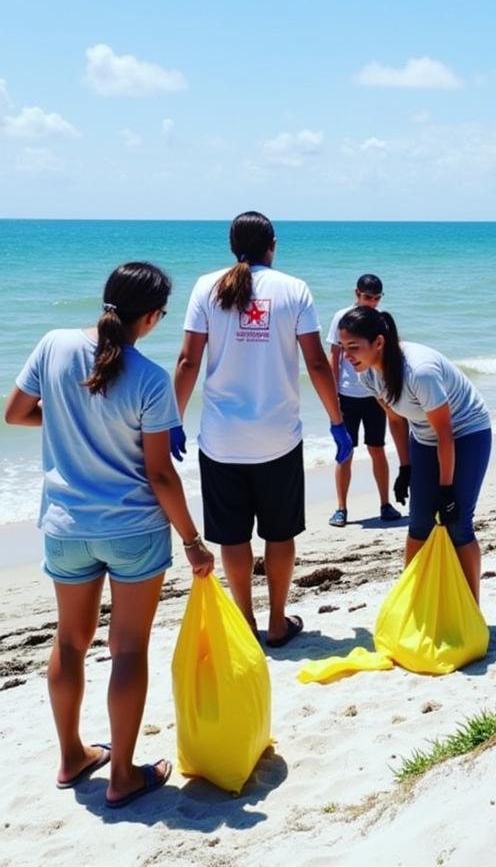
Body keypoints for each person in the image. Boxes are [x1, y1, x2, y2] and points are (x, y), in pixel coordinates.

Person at [4, 262, 214, 809]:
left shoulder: (52, 345)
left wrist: (73, 420)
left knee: (69, 641)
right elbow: (160, 474)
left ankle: (72, 756)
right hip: (132, 531)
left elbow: (16, 413)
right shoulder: (148, 379)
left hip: (67, 527)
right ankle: (122, 773)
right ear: (150, 317)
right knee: (127, 649)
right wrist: (192, 542)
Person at [174, 211, 352, 648]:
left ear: (232, 244)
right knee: (279, 533)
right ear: (272, 243)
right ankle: (276, 622)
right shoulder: (294, 289)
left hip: (220, 439)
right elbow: (315, 363)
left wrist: (171, 420)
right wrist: (337, 421)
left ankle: (245, 623)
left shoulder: (205, 286)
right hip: (278, 437)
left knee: (232, 537)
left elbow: (188, 362)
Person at [338, 306, 491, 601]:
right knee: (419, 523)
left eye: (353, 347)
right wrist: (405, 467)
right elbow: (396, 419)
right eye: (343, 347)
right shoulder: (368, 375)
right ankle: (413, 604)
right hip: (423, 435)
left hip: (467, 433)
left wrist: (446, 489)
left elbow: (446, 435)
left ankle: (472, 608)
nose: (347, 356)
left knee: (458, 524)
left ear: (379, 343)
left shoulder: (418, 372)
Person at [324, 274, 403, 526]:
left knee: (377, 449)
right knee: (345, 452)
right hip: (347, 395)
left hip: (375, 395)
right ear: (356, 293)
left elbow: (391, 354)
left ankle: (385, 503)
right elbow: (334, 356)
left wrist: (392, 389)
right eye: (368, 297)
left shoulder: (382, 319)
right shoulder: (342, 317)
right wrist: (332, 393)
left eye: (377, 298)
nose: (372, 303)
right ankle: (341, 509)